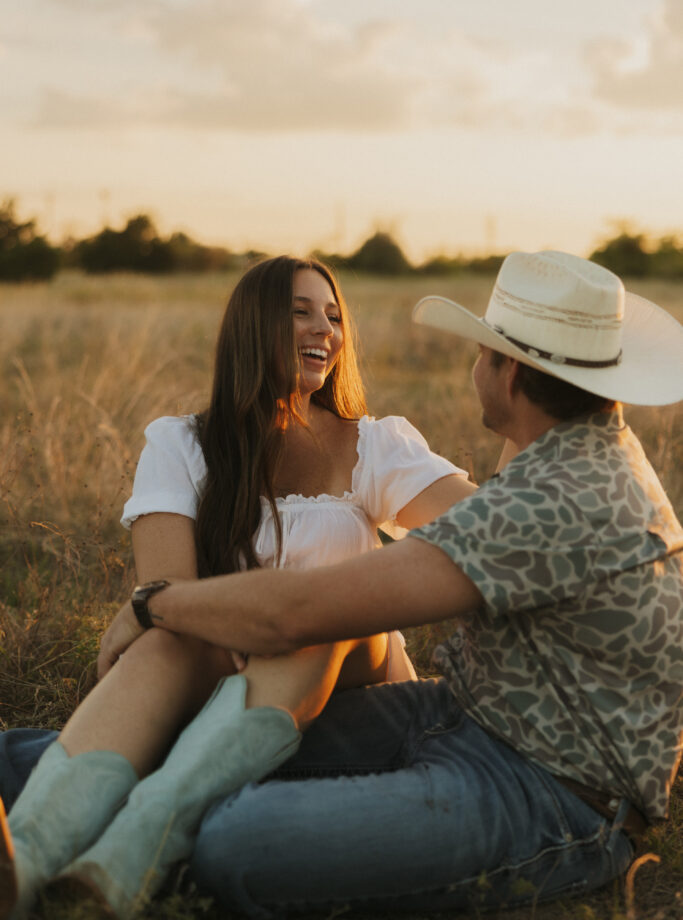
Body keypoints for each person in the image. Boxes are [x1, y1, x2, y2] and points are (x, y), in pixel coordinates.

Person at [24, 248, 681, 917]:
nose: (325, 331)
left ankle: (123, 828)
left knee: (238, 838)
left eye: (483, 351)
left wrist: (152, 604)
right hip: (462, 715)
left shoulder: (552, 497)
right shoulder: (573, 461)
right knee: (175, 737)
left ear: (506, 372)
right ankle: (38, 851)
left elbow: (303, 612)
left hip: (552, 790)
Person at [0, 255, 476, 919]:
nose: (326, 330)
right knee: (165, 645)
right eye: (302, 312)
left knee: (323, 614)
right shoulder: (181, 445)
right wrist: (215, 621)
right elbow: (170, 599)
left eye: (335, 316)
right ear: (252, 328)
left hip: (357, 680)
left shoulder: (374, 444)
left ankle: (144, 835)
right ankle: (26, 864)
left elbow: (484, 527)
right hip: (234, 679)